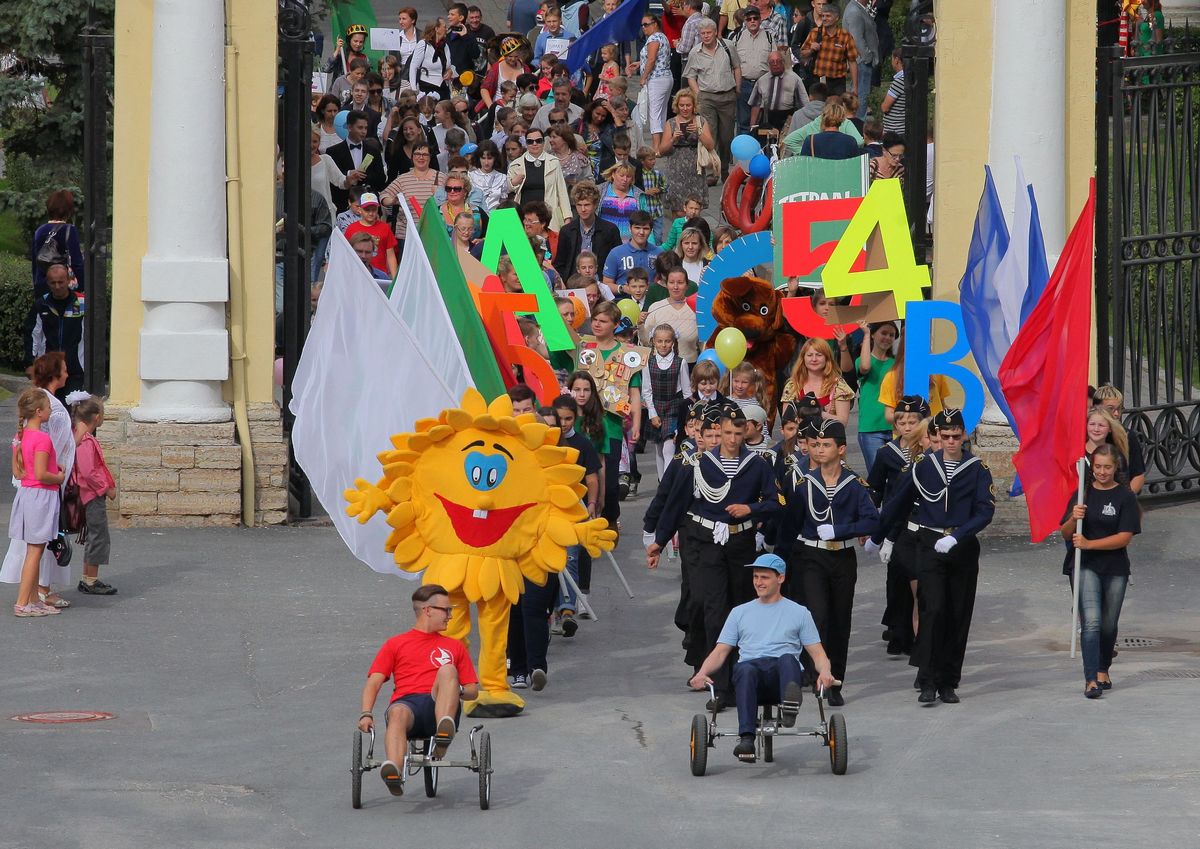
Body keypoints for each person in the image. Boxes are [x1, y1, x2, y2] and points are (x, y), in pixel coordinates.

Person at [649, 405, 781, 711]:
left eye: (738, 433)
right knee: (715, 611)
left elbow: (777, 502)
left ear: (746, 432)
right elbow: (676, 504)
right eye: (727, 433)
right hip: (707, 543)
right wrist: (658, 541)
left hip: (741, 543)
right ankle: (720, 687)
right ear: (718, 431)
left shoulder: (757, 464)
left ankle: (741, 679)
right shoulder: (699, 464)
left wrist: (752, 509)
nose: (732, 439)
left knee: (740, 610)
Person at [868, 409, 996, 705]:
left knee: (958, 614)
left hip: (961, 546)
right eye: (945, 436)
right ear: (937, 436)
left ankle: (948, 681)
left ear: (964, 435)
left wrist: (958, 536)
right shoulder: (924, 466)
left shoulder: (977, 468)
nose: (951, 441)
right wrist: (878, 536)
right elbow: (898, 503)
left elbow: (985, 510)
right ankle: (927, 679)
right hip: (929, 543)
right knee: (932, 610)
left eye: (956, 436)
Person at [688, 553, 835, 761]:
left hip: (783, 676)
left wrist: (826, 672)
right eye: (756, 577)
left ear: (780, 578)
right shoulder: (739, 613)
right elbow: (720, 651)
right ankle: (747, 739)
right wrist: (702, 673)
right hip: (751, 677)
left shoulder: (799, 613)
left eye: (764, 577)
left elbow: (818, 653)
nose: (758, 582)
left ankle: (790, 707)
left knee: (788, 659)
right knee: (745, 668)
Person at [774, 420, 877, 705]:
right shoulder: (804, 484)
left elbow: (872, 520)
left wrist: (841, 530)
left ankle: (835, 681)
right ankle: (818, 672)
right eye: (816, 445)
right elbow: (789, 527)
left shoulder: (854, 485)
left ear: (841, 449)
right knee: (817, 616)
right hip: (811, 556)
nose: (819, 450)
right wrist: (778, 564)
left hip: (841, 557)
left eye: (826, 445)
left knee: (840, 619)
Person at [358, 584, 480, 794]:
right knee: (397, 711)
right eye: (446, 610)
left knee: (447, 670)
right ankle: (394, 771)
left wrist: (454, 689)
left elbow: (473, 691)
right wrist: (366, 713)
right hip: (408, 706)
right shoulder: (395, 644)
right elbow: (374, 681)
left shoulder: (455, 646)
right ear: (428, 610)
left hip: (440, 703)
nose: (450, 616)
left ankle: (443, 731)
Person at [1060, 444, 1140, 699]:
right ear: (1091, 467)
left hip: (1115, 567)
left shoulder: (1125, 497)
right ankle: (1091, 679)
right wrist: (1073, 518)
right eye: (1097, 467)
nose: (1102, 472)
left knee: (1108, 624)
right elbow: (1065, 533)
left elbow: (1124, 537)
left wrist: (1090, 543)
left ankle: (1104, 667)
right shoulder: (1082, 493)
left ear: (1115, 468)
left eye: (1107, 467)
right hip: (1086, 566)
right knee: (1092, 622)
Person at [7, 388, 65, 617]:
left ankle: (33, 600)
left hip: (27, 494)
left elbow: (18, 472)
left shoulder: (20, 437)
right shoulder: (42, 438)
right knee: (35, 551)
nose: (51, 410)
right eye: (48, 407)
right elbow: (42, 474)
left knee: (34, 550)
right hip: (41, 496)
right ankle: (23, 603)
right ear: (39, 412)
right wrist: (59, 476)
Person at [70, 394, 118, 596]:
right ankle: (91, 579)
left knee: (93, 535)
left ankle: (87, 577)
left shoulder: (80, 438)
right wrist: (106, 488)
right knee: (98, 536)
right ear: (97, 417)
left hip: (87, 494)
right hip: (91, 495)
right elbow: (89, 472)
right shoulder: (86, 442)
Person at [683, 19, 741, 181]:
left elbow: (737, 67)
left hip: (727, 96)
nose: (706, 36)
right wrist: (698, 94)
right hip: (707, 97)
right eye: (703, 33)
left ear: (715, 32)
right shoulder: (695, 52)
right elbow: (690, 76)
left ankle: (724, 168)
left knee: (726, 136)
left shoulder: (728, 46)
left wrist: (738, 88)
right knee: (710, 135)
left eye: (709, 33)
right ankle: (711, 172)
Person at [641, 323, 693, 479]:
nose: (663, 345)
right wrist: (652, 414)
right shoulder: (648, 363)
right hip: (656, 408)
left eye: (667, 341)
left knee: (668, 447)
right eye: (660, 341)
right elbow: (646, 391)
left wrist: (687, 416)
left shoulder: (680, 363)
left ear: (673, 342)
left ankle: (667, 483)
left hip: (674, 408)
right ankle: (662, 481)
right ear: (654, 342)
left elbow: (687, 392)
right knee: (659, 448)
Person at [657, 89, 715, 217]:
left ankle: (693, 230)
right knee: (678, 210)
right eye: (681, 105)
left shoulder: (701, 121)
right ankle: (679, 230)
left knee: (694, 209)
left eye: (688, 105)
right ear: (677, 106)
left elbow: (711, 145)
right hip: (676, 169)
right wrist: (673, 139)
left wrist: (699, 132)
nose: (685, 108)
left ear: (693, 106)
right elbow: (662, 150)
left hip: (695, 169)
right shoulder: (671, 123)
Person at [31, 263, 86, 397]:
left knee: (73, 407)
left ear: (68, 280)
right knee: (49, 407)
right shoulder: (42, 304)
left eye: (61, 282)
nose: (57, 286)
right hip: (49, 369)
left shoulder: (82, 303)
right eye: (53, 283)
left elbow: (91, 335)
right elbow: (35, 334)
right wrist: (32, 362)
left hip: (75, 369)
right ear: (47, 283)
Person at [554, 182, 623, 282]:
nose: (583, 209)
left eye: (587, 205)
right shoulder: (567, 231)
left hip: (602, 283)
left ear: (595, 205)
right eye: (579, 205)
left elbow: (618, 261)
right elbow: (560, 264)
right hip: (573, 284)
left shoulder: (610, 230)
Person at [380, 142, 445, 244]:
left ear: (430, 157)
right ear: (412, 156)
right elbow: (383, 196)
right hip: (407, 236)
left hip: (433, 234)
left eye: (425, 154)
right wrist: (393, 201)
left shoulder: (441, 177)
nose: (421, 157)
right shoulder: (402, 179)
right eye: (417, 154)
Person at [508, 128, 572, 230]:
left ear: (543, 142)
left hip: (548, 216)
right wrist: (513, 182)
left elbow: (562, 191)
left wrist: (567, 217)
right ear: (526, 143)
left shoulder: (554, 162)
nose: (535, 144)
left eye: (538, 140)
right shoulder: (515, 164)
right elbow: (507, 190)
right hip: (524, 216)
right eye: (530, 141)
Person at [854, 320, 898, 470]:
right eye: (883, 333)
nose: (887, 338)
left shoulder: (896, 363)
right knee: (877, 476)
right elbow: (865, 367)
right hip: (871, 428)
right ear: (874, 335)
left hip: (895, 427)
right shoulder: (862, 360)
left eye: (891, 335)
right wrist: (866, 334)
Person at [780, 337, 855, 425]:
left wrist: (820, 414)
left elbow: (843, 422)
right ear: (803, 358)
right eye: (809, 355)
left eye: (819, 355)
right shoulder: (793, 385)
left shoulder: (839, 386)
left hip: (828, 433)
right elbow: (786, 421)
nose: (814, 359)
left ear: (827, 358)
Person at [325, 110, 387, 212]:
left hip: (369, 207)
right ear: (349, 127)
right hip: (343, 206)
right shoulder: (333, 152)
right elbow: (331, 182)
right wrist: (349, 174)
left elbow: (381, 181)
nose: (364, 131)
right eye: (360, 127)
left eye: (365, 128)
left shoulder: (373, 151)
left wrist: (365, 176)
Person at [628, 14, 674, 146]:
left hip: (656, 79)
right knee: (661, 113)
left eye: (646, 24)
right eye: (642, 25)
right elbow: (658, 58)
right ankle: (662, 144)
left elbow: (652, 59)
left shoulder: (654, 38)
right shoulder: (662, 36)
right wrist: (640, 63)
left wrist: (643, 77)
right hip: (666, 77)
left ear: (655, 24)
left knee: (654, 114)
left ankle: (656, 148)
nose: (643, 28)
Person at [1090, 385, 1146, 493]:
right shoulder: (1089, 435)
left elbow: (1138, 475)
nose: (1116, 414)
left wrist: (1125, 498)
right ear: (1097, 408)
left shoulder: (1127, 436)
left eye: (1119, 409)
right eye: (1110, 408)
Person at [31, 191, 85, 300]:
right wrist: (82, 286)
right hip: (64, 289)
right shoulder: (69, 230)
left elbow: (35, 263)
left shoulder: (39, 231)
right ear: (68, 210)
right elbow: (77, 263)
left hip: (43, 287)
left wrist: (37, 287)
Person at [798, 4, 858, 97]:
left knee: (836, 106)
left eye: (828, 16)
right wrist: (811, 50)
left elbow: (852, 61)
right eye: (823, 16)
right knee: (818, 106)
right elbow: (802, 55)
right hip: (818, 81)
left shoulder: (845, 36)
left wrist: (855, 87)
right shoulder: (814, 33)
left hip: (837, 83)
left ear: (836, 18)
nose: (824, 19)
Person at [643, 266, 699, 363]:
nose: (675, 287)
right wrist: (640, 325)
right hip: (660, 366)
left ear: (687, 285)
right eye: (672, 282)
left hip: (690, 364)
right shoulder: (655, 307)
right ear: (666, 285)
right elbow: (646, 341)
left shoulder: (696, 308)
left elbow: (703, 343)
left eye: (680, 283)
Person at [732, 6, 772, 137]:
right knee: (743, 121)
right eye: (749, 19)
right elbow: (732, 63)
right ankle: (744, 148)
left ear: (760, 20)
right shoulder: (737, 38)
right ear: (745, 21)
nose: (752, 21)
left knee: (761, 123)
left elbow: (775, 61)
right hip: (743, 84)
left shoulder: (769, 37)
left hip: (763, 84)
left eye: (755, 18)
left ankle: (759, 147)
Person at [748, 51, 808, 133]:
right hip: (768, 119)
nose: (775, 64)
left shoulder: (795, 79)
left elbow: (803, 104)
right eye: (772, 62)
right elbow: (756, 104)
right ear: (768, 64)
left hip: (788, 119)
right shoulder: (762, 81)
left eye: (778, 61)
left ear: (783, 62)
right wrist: (752, 126)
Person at [602, 211, 662, 292]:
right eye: (637, 228)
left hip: (650, 299)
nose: (641, 232)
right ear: (630, 228)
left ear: (651, 230)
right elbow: (606, 285)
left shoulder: (659, 253)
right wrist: (623, 288)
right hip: (623, 298)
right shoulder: (615, 253)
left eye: (645, 228)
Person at [344, 193, 399, 278]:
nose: (370, 213)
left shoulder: (385, 228)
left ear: (378, 209)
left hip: (379, 275)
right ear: (360, 209)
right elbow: (345, 254)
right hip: (356, 274)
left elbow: (390, 255)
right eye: (367, 210)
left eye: (374, 210)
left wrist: (395, 278)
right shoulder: (351, 229)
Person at [842, 0, 878, 119]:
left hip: (860, 60)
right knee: (862, 95)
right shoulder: (854, 11)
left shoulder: (858, 8)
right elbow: (856, 39)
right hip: (861, 61)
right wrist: (867, 57)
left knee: (860, 94)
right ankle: (858, 123)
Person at [796, 102, 862, 160]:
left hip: (818, 170)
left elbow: (803, 165)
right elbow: (855, 166)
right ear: (842, 119)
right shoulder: (850, 141)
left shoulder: (810, 140)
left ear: (823, 117)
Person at [409, 20, 452, 98]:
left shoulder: (445, 46)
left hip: (443, 88)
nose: (447, 29)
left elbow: (448, 66)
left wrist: (449, 71)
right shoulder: (423, 44)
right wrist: (414, 89)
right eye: (444, 27)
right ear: (437, 29)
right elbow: (413, 67)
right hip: (427, 88)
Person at [881, 49, 906, 135]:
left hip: (894, 130)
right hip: (903, 128)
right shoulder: (908, 78)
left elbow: (885, 107)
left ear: (896, 60)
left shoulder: (899, 82)